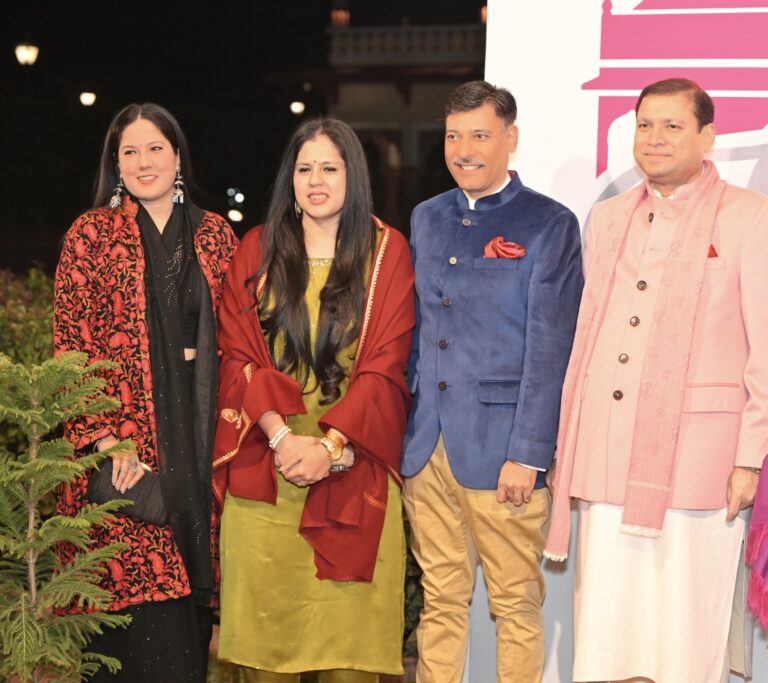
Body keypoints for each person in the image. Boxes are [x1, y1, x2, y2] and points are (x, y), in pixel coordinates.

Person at [546, 78, 768, 683]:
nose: (655, 138)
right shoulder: (608, 218)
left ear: (707, 137)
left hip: (700, 462)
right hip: (608, 456)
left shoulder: (750, 217)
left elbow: (763, 350)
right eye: (645, 125)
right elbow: (590, 332)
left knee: (684, 636)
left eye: (672, 125)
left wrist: (750, 459)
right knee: (606, 631)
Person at [212, 117, 415, 683]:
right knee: (266, 660)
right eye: (305, 169)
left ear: (354, 176)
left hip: (354, 463)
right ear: (290, 177)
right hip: (267, 469)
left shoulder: (385, 252)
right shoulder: (257, 249)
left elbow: (386, 365)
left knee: (349, 659)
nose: (316, 181)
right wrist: (282, 439)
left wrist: (330, 447)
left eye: (330, 168)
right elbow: (236, 356)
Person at [401, 80, 583, 683]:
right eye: (454, 136)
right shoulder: (427, 218)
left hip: (504, 454)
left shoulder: (549, 224)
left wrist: (528, 455)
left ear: (511, 138)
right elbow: (419, 331)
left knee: (514, 607)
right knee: (440, 602)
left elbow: (551, 349)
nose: (464, 150)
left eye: (480, 135)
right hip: (427, 451)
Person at [54, 102, 237, 682]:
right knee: (132, 594)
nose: (143, 161)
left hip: (199, 435)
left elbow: (241, 336)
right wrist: (103, 438)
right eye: (129, 151)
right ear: (116, 164)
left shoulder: (215, 236)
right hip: (125, 444)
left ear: (177, 156)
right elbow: (71, 346)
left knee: (189, 603)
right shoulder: (91, 235)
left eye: (155, 148)